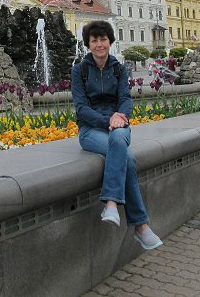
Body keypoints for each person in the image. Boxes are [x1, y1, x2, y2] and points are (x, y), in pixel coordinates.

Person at [71, 20, 163, 250]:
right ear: (88, 44)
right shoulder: (79, 70)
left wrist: (119, 118)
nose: (99, 44)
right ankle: (141, 225)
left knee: (119, 141)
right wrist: (108, 120)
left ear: (110, 42)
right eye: (94, 40)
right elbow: (81, 109)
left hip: (119, 125)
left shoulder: (119, 69)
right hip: (90, 130)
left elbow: (125, 99)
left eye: (103, 39)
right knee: (127, 159)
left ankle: (111, 204)